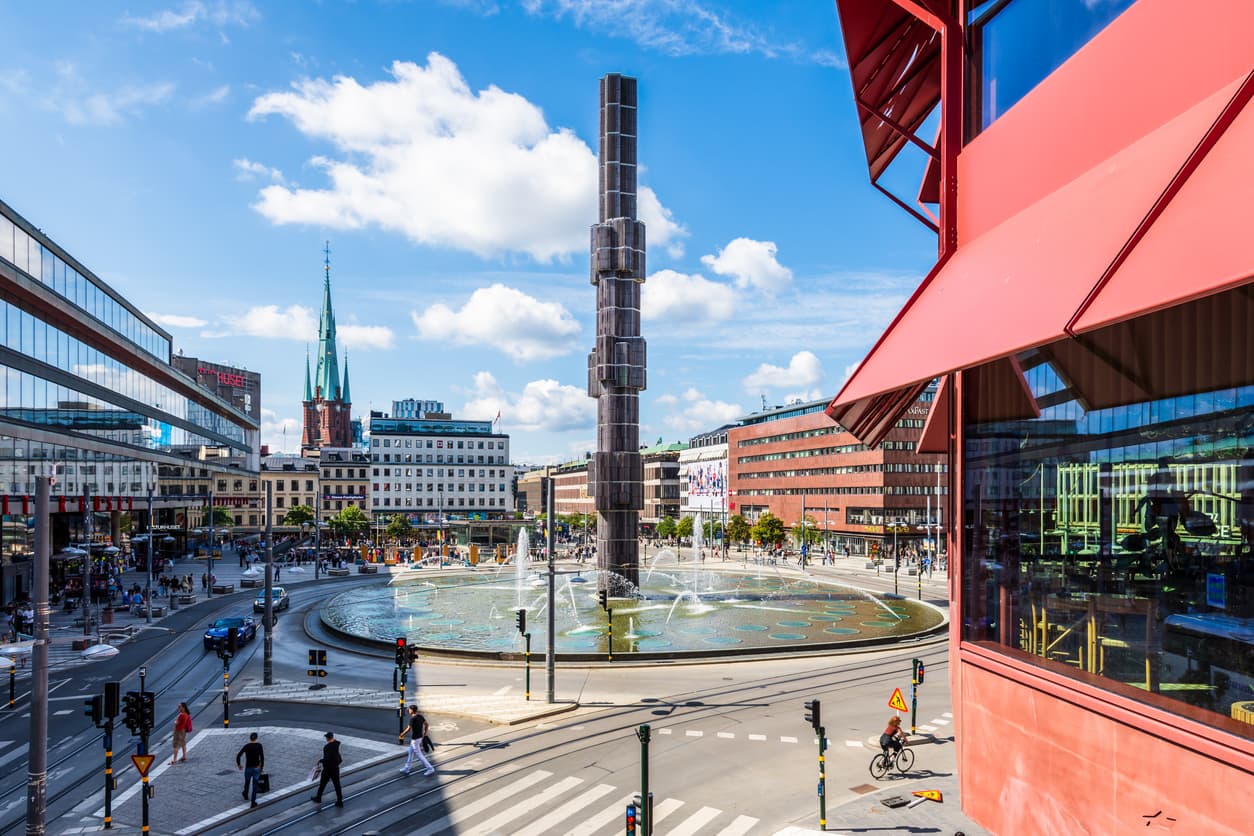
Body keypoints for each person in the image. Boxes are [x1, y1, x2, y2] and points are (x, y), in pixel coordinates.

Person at [398, 705, 435, 776]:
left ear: (412, 710)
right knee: (410, 752)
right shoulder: (420, 716)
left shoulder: (412, 719)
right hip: (419, 738)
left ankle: (430, 768)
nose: (408, 710)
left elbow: (408, 729)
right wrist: (425, 732)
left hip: (415, 739)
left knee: (419, 754)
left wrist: (402, 734)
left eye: (409, 709)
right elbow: (426, 724)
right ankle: (407, 768)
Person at [310, 731, 343, 807]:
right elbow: (337, 757)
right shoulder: (336, 745)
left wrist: (321, 760)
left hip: (328, 770)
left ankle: (318, 798)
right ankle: (339, 801)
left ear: (328, 738)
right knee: (337, 785)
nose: (326, 739)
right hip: (335, 769)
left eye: (326, 738)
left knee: (322, 784)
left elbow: (327, 758)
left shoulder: (327, 747)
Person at [236, 731, 264, 807]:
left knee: (247, 782)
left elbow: (238, 755)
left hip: (248, 768)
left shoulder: (246, 746)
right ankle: (253, 802)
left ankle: (245, 794)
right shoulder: (259, 745)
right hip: (256, 768)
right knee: (255, 785)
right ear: (256, 738)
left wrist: (239, 765)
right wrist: (261, 767)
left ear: (250, 738)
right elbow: (262, 757)